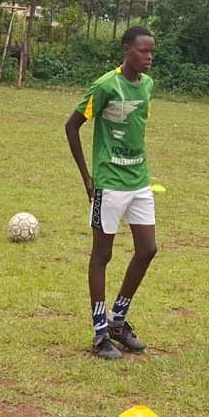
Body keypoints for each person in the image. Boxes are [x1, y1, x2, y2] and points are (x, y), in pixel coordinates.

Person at [65, 27, 158, 360]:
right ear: (126, 50)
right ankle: (99, 333)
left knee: (148, 249)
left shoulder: (147, 86)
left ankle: (118, 321)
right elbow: (72, 125)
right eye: (142, 51)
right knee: (102, 255)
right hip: (109, 182)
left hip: (139, 181)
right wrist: (87, 177)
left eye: (151, 52)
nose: (148, 57)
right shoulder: (105, 86)